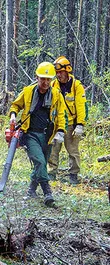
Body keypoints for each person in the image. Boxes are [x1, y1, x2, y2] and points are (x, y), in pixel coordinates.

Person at [9, 62, 66, 207]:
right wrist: (13, 115)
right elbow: (15, 105)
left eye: (48, 79)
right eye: (42, 79)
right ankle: (48, 193)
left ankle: (31, 190)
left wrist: (60, 131)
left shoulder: (56, 95)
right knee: (39, 161)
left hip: (47, 135)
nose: (45, 82)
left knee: (42, 163)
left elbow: (60, 115)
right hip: (30, 134)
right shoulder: (28, 91)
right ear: (37, 77)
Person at [48, 56, 87, 184]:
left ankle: (73, 175)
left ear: (67, 71)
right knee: (53, 149)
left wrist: (80, 124)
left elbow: (81, 106)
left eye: (61, 72)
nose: (59, 75)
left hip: (71, 125)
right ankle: (51, 173)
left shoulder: (76, 86)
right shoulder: (53, 85)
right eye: (57, 72)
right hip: (57, 124)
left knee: (73, 150)